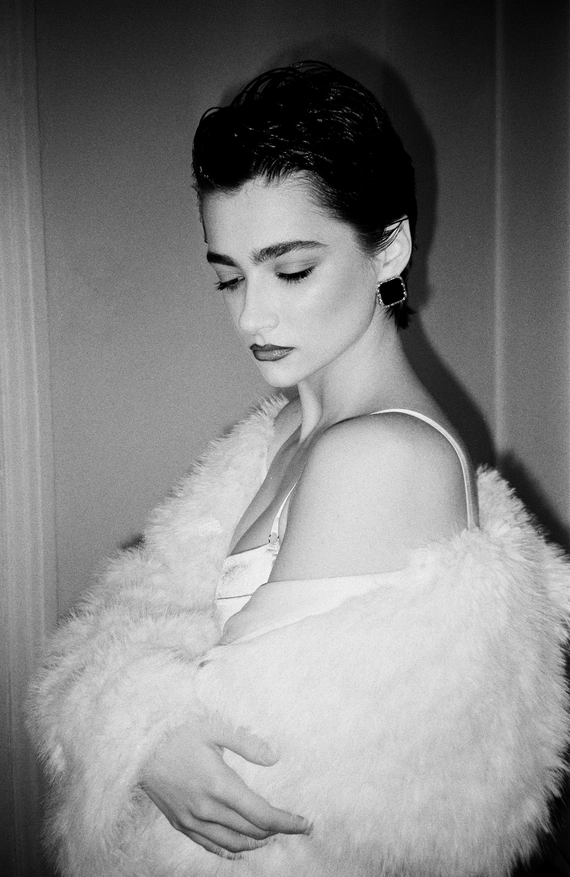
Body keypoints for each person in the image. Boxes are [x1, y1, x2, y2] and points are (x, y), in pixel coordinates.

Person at [29, 62, 569, 877]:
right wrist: (141, 720)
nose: (251, 314)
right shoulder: (285, 428)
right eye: (228, 275)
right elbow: (150, 604)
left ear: (389, 248)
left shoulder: (377, 456)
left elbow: (254, 771)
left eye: (291, 270)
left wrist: (139, 725)